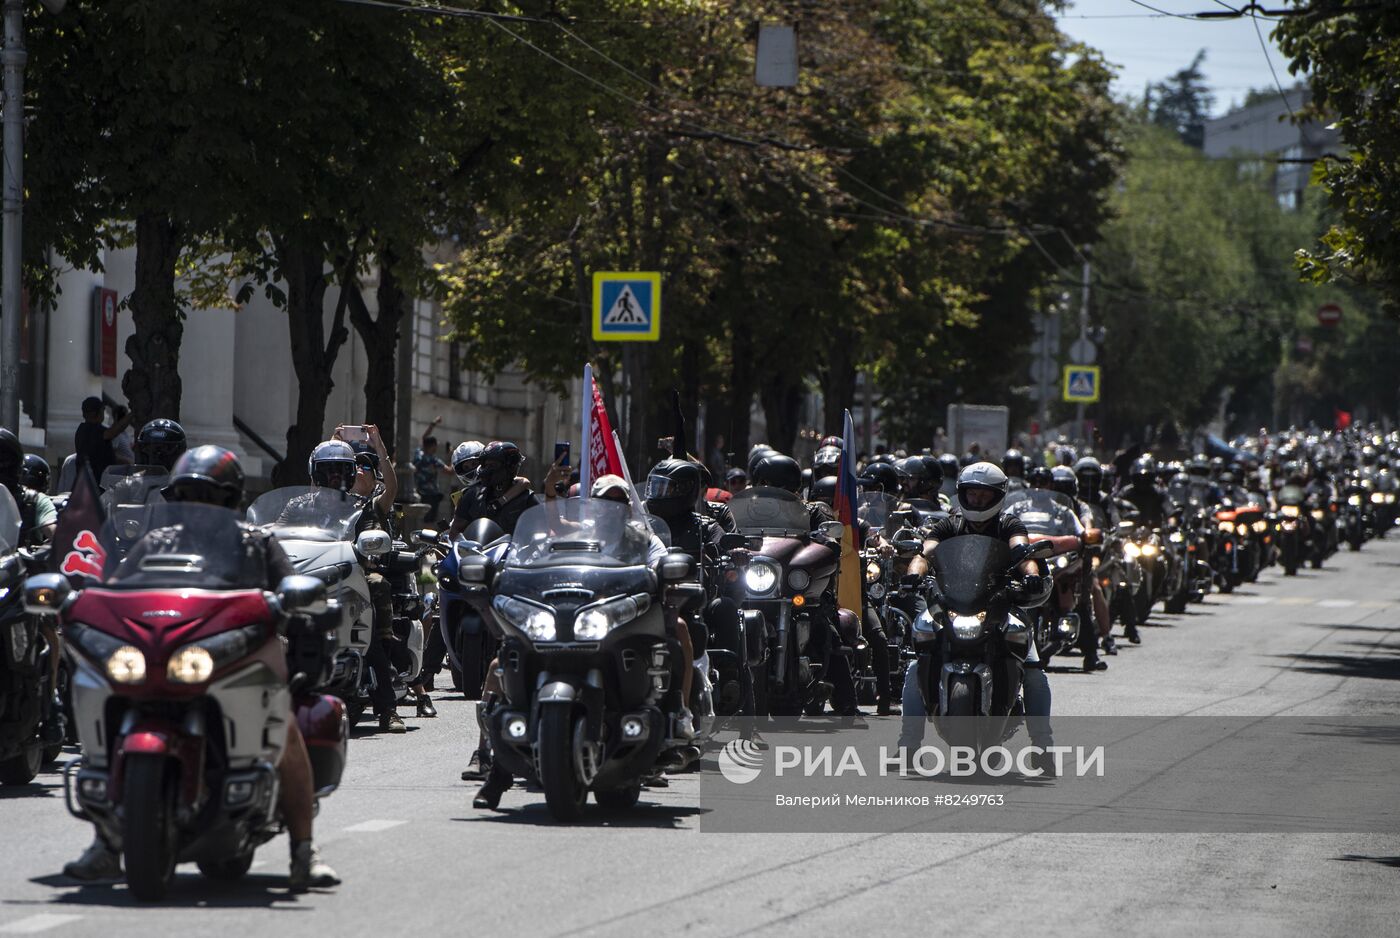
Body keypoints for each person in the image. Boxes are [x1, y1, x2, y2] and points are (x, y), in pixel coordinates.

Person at [64, 446, 339, 891]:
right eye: (186, 495)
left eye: (204, 496)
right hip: (164, 654)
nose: (194, 506)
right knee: (108, 695)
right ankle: (106, 843)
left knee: (283, 726)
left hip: (238, 653)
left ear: (229, 501)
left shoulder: (258, 545)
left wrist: (294, 601)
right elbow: (116, 592)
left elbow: (292, 594)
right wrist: (85, 603)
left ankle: (305, 851)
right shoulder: (154, 543)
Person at [900, 462, 1054, 762]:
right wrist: (914, 574)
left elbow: (1023, 552)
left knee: (1034, 670)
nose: (978, 501)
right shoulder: (948, 525)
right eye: (972, 494)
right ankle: (908, 744)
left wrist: (1032, 573)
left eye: (985, 495)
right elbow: (926, 552)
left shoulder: (1009, 524)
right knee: (916, 664)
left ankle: (1043, 746)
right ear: (961, 494)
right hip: (953, 604)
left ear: (998, 496)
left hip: (999, 604)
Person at [339, 427, 408, 733]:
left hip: (359, 571)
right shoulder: (324, 503)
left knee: (376, 587)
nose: (357, 471)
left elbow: (392, 486)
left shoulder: (374, 505)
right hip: (324, 572)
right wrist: (334, 443)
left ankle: (388, 709)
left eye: (363, 467)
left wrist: (379, 445)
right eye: (350, 465)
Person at [73, 397, 131, 482]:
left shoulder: (83, 430)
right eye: (102, 410)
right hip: (95, 485)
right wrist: (132, 414)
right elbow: (113, 431)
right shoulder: (91, 430)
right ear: (95, 412)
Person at [414, 417, 450, 524]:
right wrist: (451, 455)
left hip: (420, 493)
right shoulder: (433, 460)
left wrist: (433, 424)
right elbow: (450, 471)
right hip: (431, 496)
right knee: (430, 522)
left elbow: (424, 437)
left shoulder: (418, 454)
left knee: (420, 520)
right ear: (433, 446)